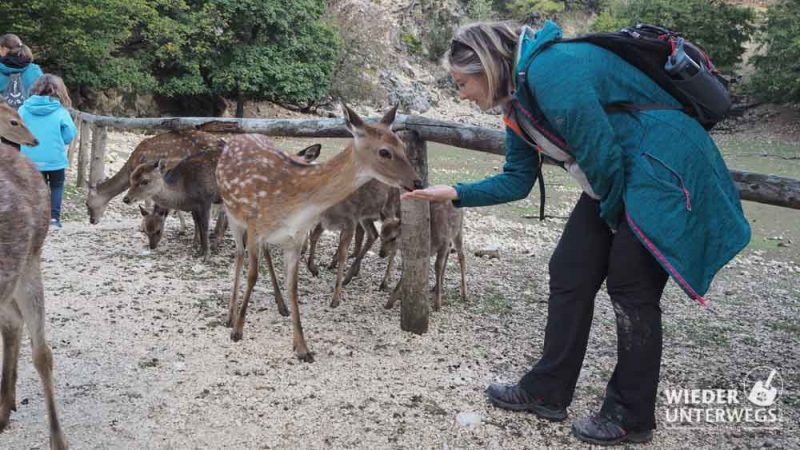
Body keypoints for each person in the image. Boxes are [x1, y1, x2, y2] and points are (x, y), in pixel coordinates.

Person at [402, 21, 750, 445]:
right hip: (620, 173)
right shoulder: (516, 104)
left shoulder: (551, 69)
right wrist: (454, 192)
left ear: (487, 68)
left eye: (462, 83)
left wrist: (610, 215)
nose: (462, 95)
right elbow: (517, 180)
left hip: (664, 166)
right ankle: (547, 390)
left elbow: (599, 151)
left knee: (631, 286)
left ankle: (630, 414)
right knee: (570, 269)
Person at [19, 74, 77, 229]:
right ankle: (53, 220)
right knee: (57, 186)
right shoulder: (60, 111)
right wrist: (60, 141)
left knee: (36, 188)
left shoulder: (23, 109)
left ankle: (36, 220)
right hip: (54, 158)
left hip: (30, 158)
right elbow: (70, 133)